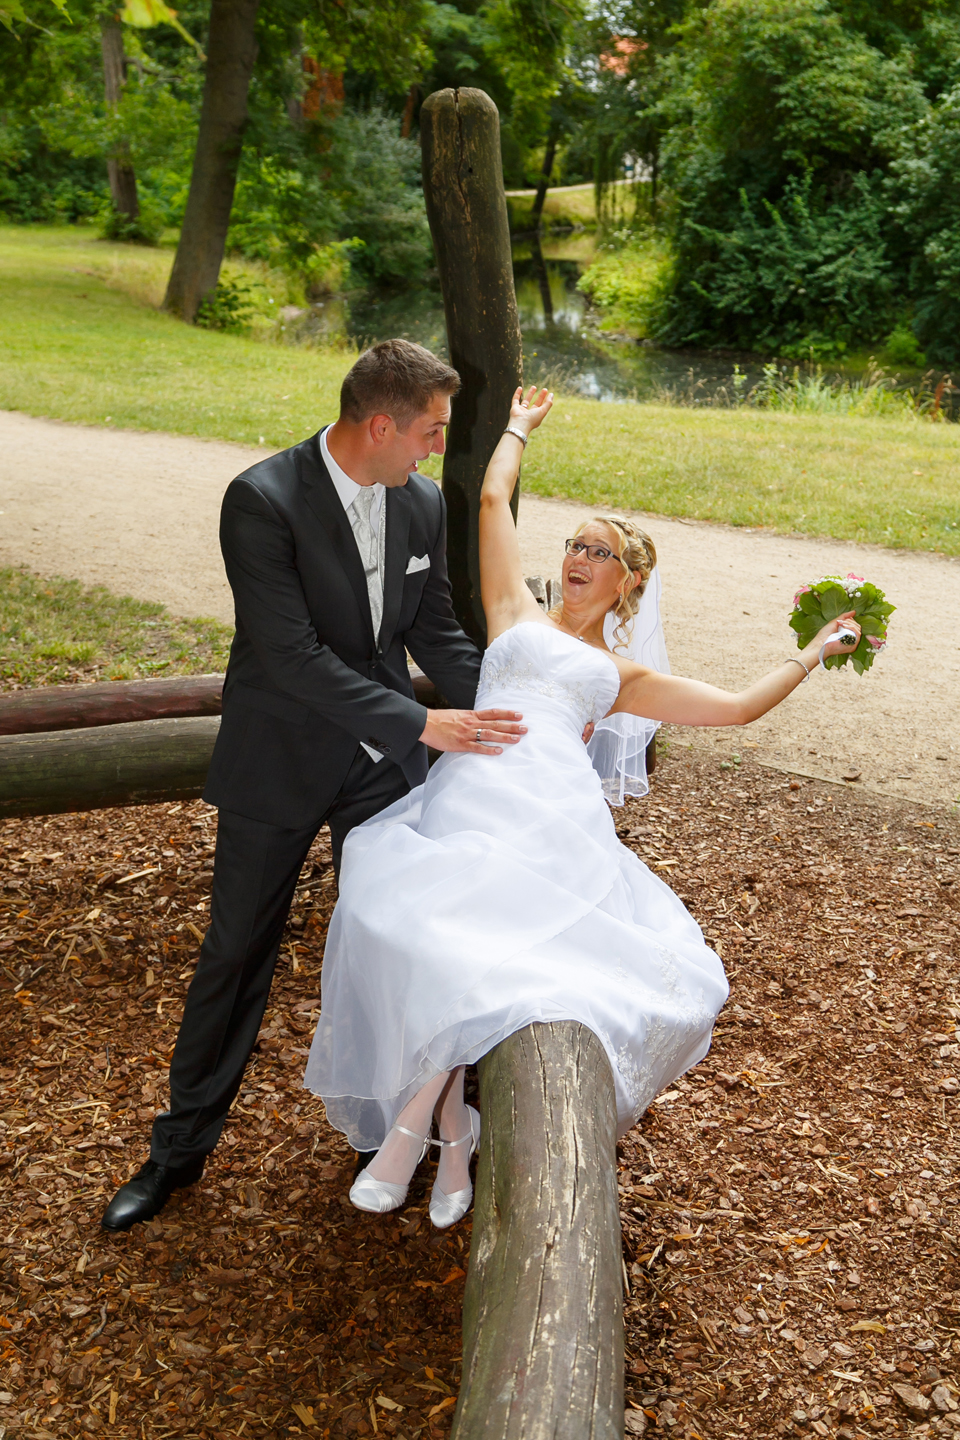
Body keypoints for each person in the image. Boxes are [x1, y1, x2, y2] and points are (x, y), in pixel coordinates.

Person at [304, 384, 861, 1230]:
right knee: (424, 930)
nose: (577, 557)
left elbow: (740, 706)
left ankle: (417, 1130)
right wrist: (517, 429)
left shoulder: (624, 678)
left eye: (597, 551)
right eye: (573, 543)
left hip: (552, 814)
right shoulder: (512, 611)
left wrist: (816, 652)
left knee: (489, 950)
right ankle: (451, 1132)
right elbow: (492, 499)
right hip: (470, 794)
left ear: (628, 579)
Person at [101, 340, 528, 1232]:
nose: (434, 451)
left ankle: (388, 1137)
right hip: (280, 757)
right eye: (430, 432)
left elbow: (436, 632)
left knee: (396, 949)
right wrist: (422, 722)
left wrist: (518, 708)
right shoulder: (261, 500)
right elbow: (290, 658)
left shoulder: (419, 503)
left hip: (379, 773)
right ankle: (176, 1156)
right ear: (381, 424)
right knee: (235, 955)